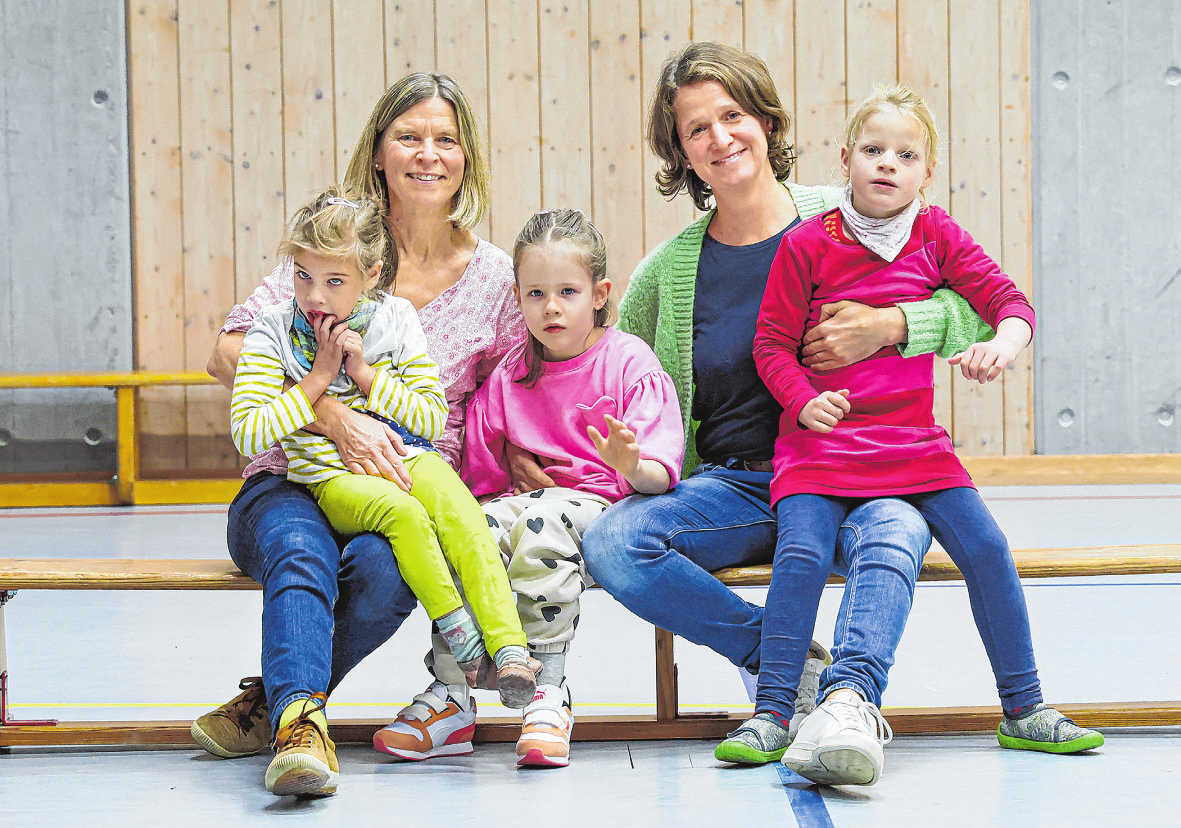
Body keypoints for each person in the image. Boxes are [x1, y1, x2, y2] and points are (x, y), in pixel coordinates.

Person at [575, 41, 995, 772]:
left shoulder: (858, 211)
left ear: (765, 122)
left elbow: (976, 309)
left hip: (854, 471)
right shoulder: (664, 272)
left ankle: (849, 701)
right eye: (695, 128)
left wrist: (894, 326)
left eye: (732, 115)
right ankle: (787, 661)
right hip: (735, 485)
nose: (719, 138)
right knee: (615, 543)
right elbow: (604, 368)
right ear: (679, 151)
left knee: (895, 529)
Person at [751, 83, 1103, 786]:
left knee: (987, 547)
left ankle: (1024, 707)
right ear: (845, 159)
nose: (887, 164)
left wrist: (1002, 344)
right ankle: (770, 714)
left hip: (912, 445)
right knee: (799, 554)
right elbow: (769, 345)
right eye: (873, 151)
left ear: (925, 173)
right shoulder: (804, 244)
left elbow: (1008, 301)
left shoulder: (936, 233)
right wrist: (803, 400)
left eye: (904, 154)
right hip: (817, 449)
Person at [195, 72, 527, 798]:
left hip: (401, 481)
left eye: (445, 139)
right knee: (298, 546)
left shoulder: (496, 277)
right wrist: (330, 412)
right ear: (378, 151)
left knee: (384, 572)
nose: (427, 154)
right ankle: (298, 726)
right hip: (291, 475)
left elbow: (508, 397)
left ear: (466, 156)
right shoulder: (325, 251)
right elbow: (227, 352)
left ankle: (276, 704)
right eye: (408, 137)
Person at [231, 187, 537, 717]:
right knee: (405, 515)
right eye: (303, 276)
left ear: (371, 275)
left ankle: (510, 648)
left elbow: (429, 416)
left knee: (459, 508)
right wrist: (317, 382)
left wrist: (366, 376)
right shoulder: (273, 330)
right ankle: (461, 640)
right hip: (328, 476)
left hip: (403, 453)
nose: (316, 297)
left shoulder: (395, 320)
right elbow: (250, 433)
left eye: (334, 281)